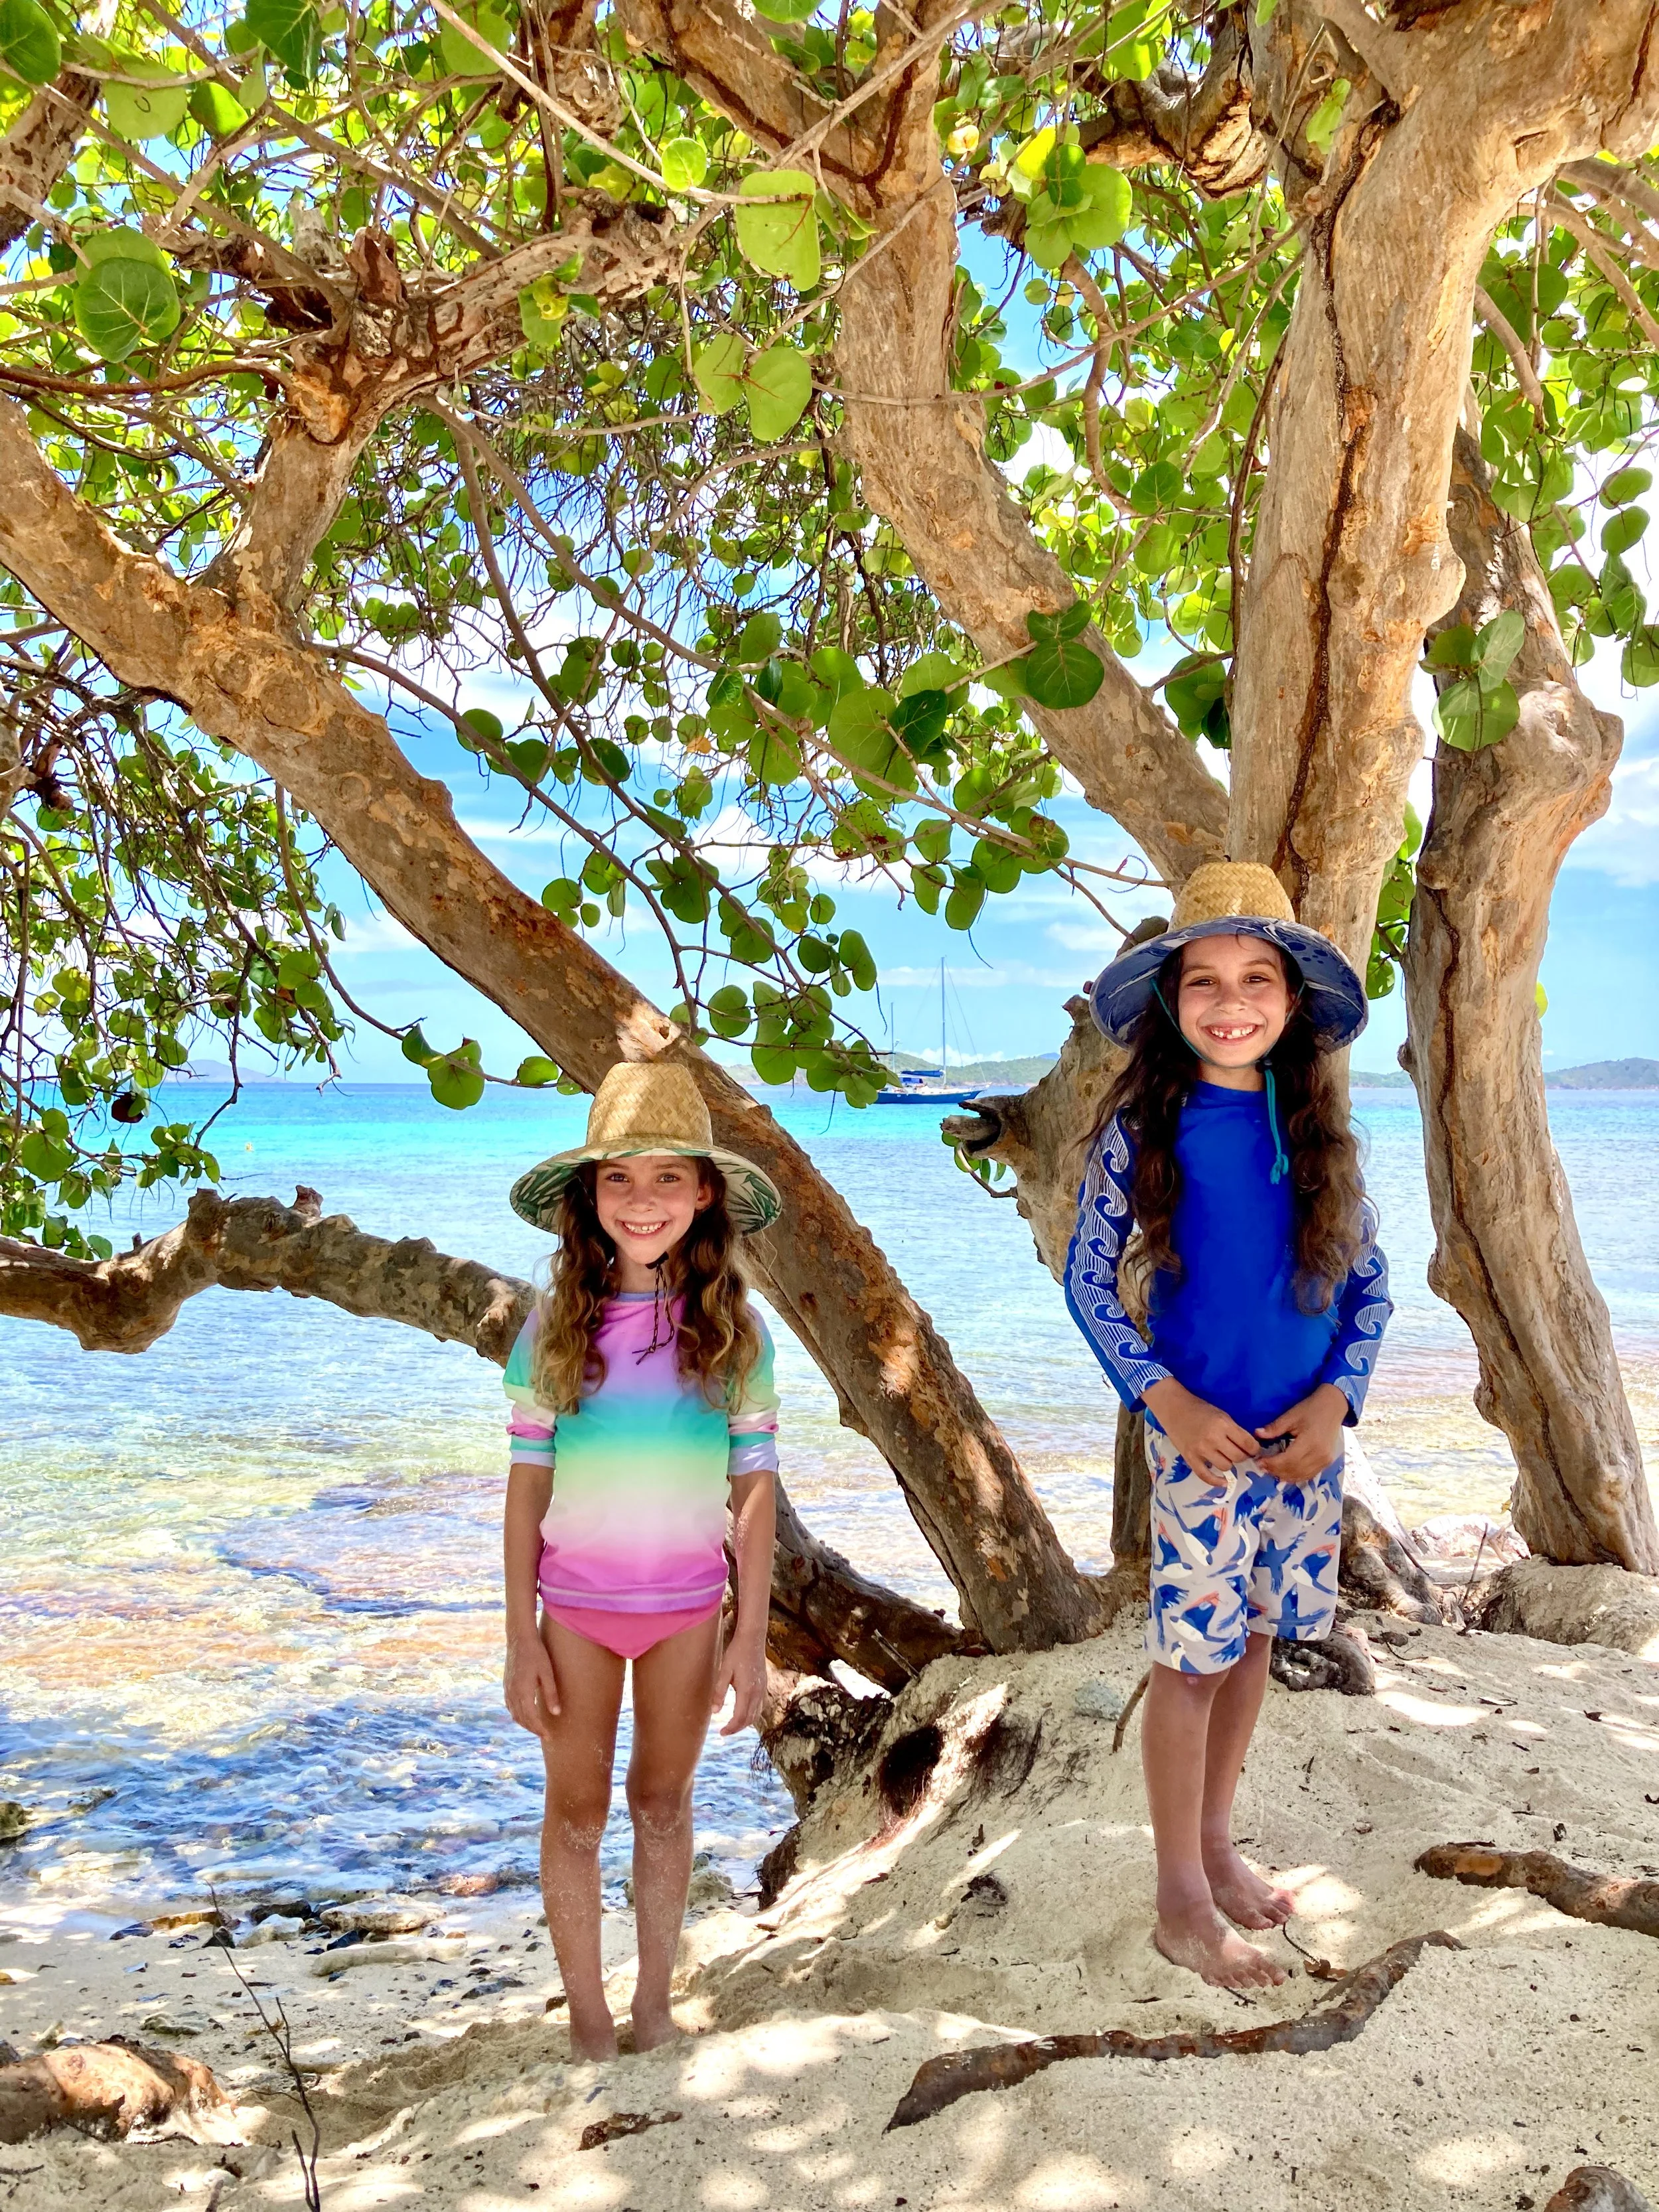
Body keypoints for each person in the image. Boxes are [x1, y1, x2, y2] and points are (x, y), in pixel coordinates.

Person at [1065, 862, 1392, 1990]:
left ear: (1293, 1001)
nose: (1230, 1000)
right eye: (1202, 982)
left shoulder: (1319, 1130)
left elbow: (1371, 1289)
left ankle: (1214, 1846)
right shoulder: (1146, 1130)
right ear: (1168, 1002)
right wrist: (1167, 1400)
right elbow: (1088, 1284)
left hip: (1302, 1444)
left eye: (1256, 978)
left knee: (1254, 1639)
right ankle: (1178, 1902)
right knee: (1189, 1663)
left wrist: (1339, 1402)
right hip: (1198, 1440)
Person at [500, 1061, 782, 2059]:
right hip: (574, 1610)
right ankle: (587, 2019)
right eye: (618, 1179)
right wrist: (517, 1638)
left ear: (706, 1194)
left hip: (689, 1612)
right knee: (573, 1813)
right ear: (587, 1199)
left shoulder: (736, 1335)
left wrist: (750, 1640)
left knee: (662, 1803)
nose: (644, 1201)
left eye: (668, 1178)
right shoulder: (554, 1332)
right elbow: (527, 1484)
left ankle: (655, 2004)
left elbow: (753, 1492)